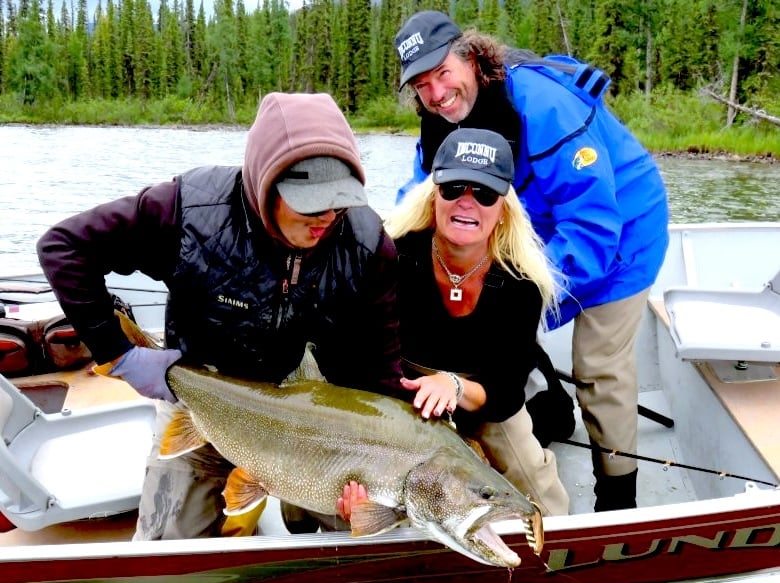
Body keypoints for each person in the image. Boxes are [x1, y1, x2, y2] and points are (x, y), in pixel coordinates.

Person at [36, 91, 404, 540]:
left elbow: (377, 372)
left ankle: (296, 508)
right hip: (198, 397)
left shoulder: (368, 246)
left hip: (307, 421)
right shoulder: (188, 212)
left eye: (340, 200)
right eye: (309, 202)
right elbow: (64, 247)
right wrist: (120, 354)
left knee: (367, 538)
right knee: (164, 559)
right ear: (266, 183)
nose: (326, 217)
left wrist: (381, 463)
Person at [392, 11, 670, 511]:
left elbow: (592, 225)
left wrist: (514, 299)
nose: (435, 93)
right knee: (496, 317)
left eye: (442, 73)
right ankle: (548, 408)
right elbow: (416, 205)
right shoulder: (439, 121)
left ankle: (616, 497)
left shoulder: (544, 106)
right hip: (537, 225)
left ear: (471, 58)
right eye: (421, 84)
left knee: (598, 363)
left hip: (623, 228)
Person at [341, 127, 570, 519]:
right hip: (397, 392)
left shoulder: (522, 285)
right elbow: (362, 356)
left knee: (539, 495)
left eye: (484, 194)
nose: (467, 203)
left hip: (486, 400)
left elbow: (507, 392)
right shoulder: (393, 255)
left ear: (503, 210)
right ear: (434, 196)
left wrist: (454, 386)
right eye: (453, 189)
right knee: (336, 494)